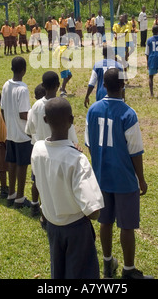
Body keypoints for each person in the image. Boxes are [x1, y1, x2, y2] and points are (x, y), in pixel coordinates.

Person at [85, 68, 153, 280]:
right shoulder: (128, 114)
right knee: (127, 225)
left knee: (105, 221)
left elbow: (89, 143)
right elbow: (135, 151)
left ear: (104, 85)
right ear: (123, 85)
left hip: (101, 177)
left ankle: (107, 263)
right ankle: (129, 269)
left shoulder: (93, 110)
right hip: (123, 179)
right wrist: (141, 179)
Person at [31, 97, 104, 279]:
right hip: (76, 228)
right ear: (71, 121)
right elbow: (94, 211)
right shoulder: (77, 160)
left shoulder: (38, 150)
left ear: (45, 120)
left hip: (53, 226)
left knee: (59, 273)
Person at [25, 71, 79, 221]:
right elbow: (71, 131)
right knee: (55, 186)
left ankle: (38, 208)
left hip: (40, 153)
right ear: (58, 85)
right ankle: (47, 216)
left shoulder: (35, 106)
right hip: (60, 153)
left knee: (39, 182)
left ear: (43, 85)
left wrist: (38, 142)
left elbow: (29, 131)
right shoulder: (62, 106)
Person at [0, 56, 32, 208]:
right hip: (23, 134)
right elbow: (23, 114)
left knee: (12, 163)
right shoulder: (23, 89)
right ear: (24, 70)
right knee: (22, 165)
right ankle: (20, 197)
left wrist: (8, 124)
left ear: (12, 69)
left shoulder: (6, 85)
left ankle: (11, 193)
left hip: (11, 133)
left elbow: (2, 109)